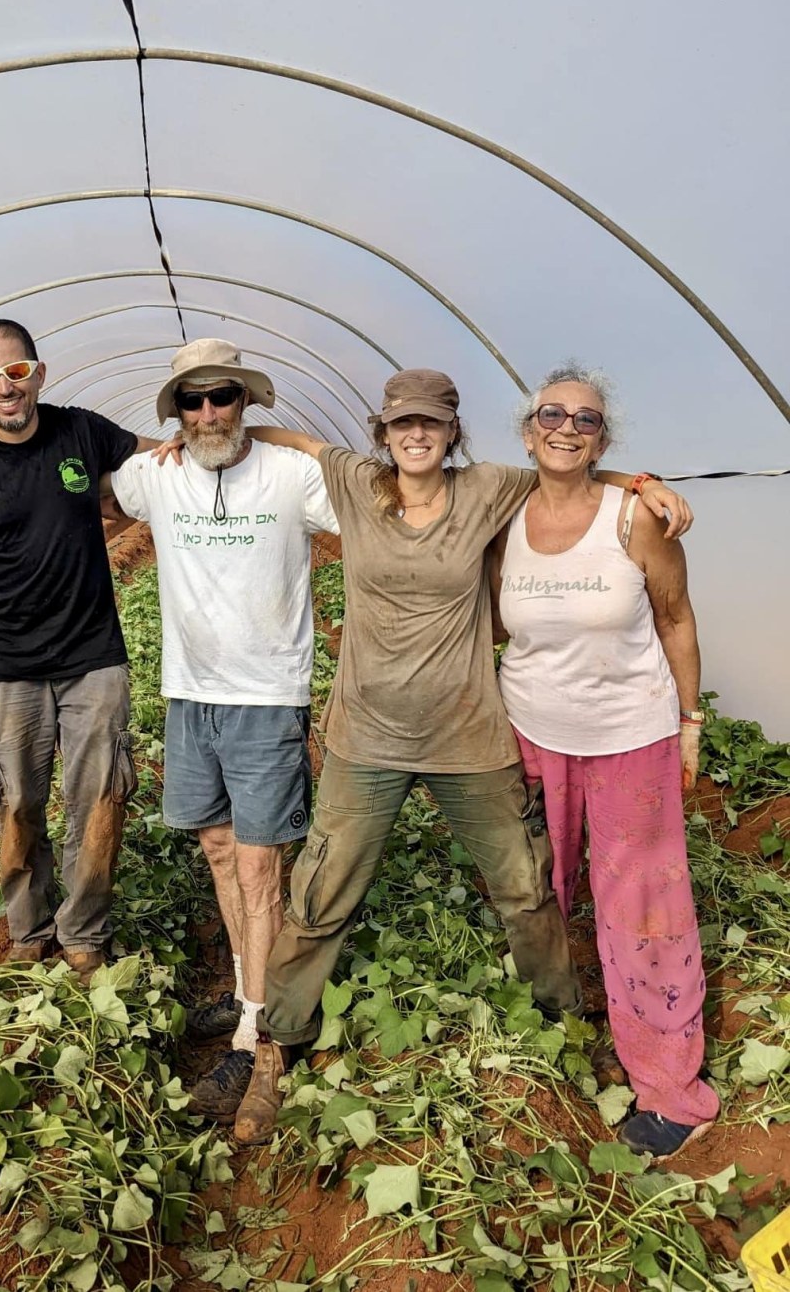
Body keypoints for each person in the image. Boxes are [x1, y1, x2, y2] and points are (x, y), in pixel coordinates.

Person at [229, 367, 694, 1145]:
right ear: (382, 432)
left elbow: (568, 465)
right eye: (402, 423)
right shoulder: (353, 481)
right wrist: (213, 432)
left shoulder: (487, 488)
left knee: (524, 888)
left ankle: (565, 1024)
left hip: (470, 737)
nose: (416, 435)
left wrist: (642, 481)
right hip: (365, 738)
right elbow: (292, 439)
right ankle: (278, 1043)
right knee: (320, 896)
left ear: (452, 434)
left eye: (432, 424)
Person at [104, 338, 340, 1119]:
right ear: (175, 413)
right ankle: (249, 987)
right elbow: (85, 473)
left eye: (225, 397)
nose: (209, 413)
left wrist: (287, 435)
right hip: (187, 695)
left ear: (247, 401)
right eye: (193, 401)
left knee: (259, 866)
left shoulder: (291, 474)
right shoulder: (156, 475)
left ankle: (257, 1032)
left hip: (266, 696)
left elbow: (374, 493)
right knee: (216, 847)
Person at [492, 362, 718, 1158]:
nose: (566, 427)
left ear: (603, 439)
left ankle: (671, 1088)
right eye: (551, 414)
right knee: (537, 889)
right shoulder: (502, 515)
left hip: (629, 736)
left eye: (585, 420)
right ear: (527, 431)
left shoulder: (635, 520)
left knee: (644, 912)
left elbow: (677, 617)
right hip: (531, 734)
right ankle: (558, 1022)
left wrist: (689, 719)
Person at [0, 318, 158, 979]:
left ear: (38, 374)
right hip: (4, 662)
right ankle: (29, 922)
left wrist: (230, 444)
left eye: (16, 373)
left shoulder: (81, 431)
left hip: (92, 656)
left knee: (100, 796)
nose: (5, 388)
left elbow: (161, 458)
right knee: (18, 801)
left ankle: (84, 927)